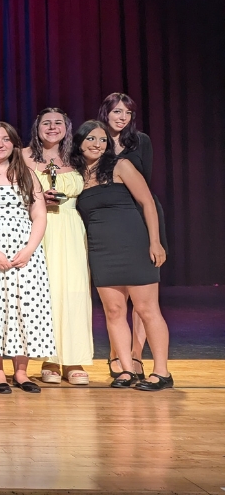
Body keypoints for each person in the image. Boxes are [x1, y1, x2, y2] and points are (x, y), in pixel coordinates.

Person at [72, 120, 172, 391]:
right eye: (91, 139)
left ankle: (162, 372)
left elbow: (147, 202)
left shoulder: (120, 166)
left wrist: (155, 242)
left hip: (134, 244)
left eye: (103, 140)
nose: (97, 144)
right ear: (79, 142)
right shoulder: (76, 176)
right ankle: (127, 370)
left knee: (147, 309)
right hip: (101, 250)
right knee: (114, 311)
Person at [0, 122, 56, 394]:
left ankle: (22, 372)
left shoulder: (27, 174)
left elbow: (39, 214)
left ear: (14, 144)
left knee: (24, 309)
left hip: (24, 253)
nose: (0, 144)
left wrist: (29, 249)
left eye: (6, 139)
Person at [97, 93, 168, 379]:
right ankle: (118, 355)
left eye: (127, 113)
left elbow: (145, 186)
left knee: (142, 298)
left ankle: (137, 354)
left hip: (141, 216)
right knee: (116, 300)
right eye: (117, 111)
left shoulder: (140, 141)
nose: (122, 117)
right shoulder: (95, 140)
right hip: (110, 223)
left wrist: (154, 238)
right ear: (106, 113)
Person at [23, 108, 93, 385]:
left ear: (67, 127)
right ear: (37, 126)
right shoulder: (23, 156)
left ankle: (73, 358)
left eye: (58, 123)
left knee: (74, 291)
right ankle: (49, 358)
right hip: (38, 228)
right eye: (46, 123)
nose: (52, 127)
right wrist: (37, 200)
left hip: (71, 227)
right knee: (45, 292)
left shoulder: (78, 157)